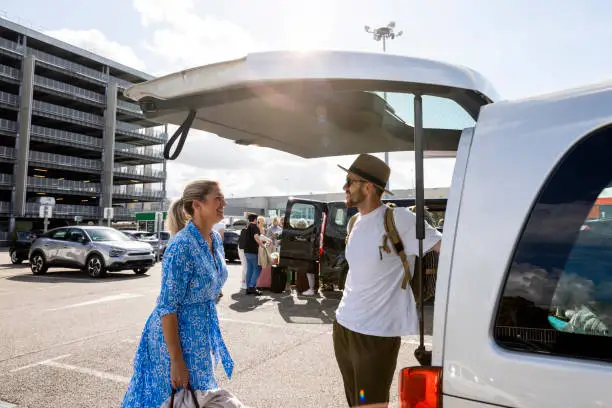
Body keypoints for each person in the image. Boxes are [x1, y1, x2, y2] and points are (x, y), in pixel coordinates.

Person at [333, 154, 442, 407]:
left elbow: (445, 248)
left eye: (350, 181)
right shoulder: (353, 222)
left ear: (369, 187)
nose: (344, 187)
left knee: (371, 404)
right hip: (344, 326)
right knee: (355, 403)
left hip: (377, 333)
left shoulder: (398, 219)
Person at [121, 179, 233, 408]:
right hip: (174, 338)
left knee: (196, 399)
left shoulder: (215, 240)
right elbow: (167, 306)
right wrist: (176, 359)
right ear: (197, 205)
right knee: (173, 399)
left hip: (200, 334)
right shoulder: (181, 245)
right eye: (218, 198)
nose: (224, 202)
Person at [244, 213, 265, 295]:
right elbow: (256, 237)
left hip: (246, 251)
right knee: (258, 268)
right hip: (253, 251)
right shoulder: (255, 227)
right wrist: (261, 245)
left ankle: (248, 287)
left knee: (250, 269)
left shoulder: (248, 227)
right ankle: (252, 287)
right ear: (255, 220)